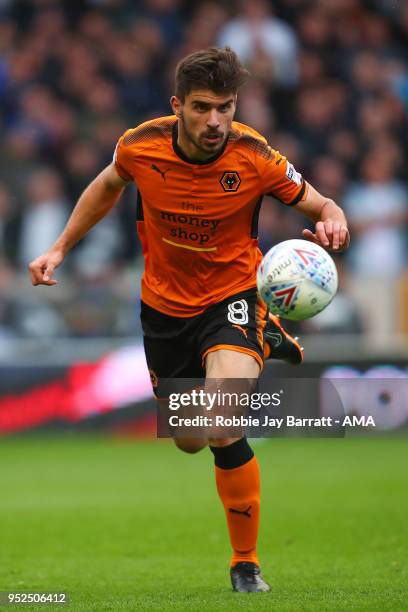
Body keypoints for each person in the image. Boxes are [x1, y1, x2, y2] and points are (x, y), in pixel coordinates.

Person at [29, 47, 350, 593]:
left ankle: (244, 562)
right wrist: (59, 247)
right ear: (178, 105)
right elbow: (108, 184)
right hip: (163, 310)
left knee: (225, 423)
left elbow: (322, 205)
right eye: (202, 108)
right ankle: (266, 341)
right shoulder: (140, 145)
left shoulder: (256, 156)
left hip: (233, 297)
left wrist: (334, 223)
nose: (215, 121)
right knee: (189, 438)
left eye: (225, 107)